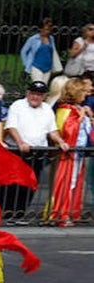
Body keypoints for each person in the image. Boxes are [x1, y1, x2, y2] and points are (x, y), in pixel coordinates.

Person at [1, 80, 68, 222]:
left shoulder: (47, 109)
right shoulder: (18, 105)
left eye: (39, 94)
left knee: (30, 183)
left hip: (37, 152)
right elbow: (11, 126)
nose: (35, 97)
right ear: (27, 93)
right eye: (33, 93)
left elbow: (52, 131)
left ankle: (19, 213)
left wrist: (61, 141)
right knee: (12, 183)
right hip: (17, 150)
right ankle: (7, 212)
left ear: (44, 96)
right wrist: (20, 142)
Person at [49, 78, 90, 226]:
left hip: (78, 153)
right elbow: (66, 130)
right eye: (83, 92)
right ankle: (61, 214)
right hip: (70, 154)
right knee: (67, 183)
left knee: (73, 183)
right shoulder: (66, 109)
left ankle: (70, 212)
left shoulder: (76, 109)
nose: (86, 95)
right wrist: (80, 118)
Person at [20, 18, 62, 83]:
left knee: (44, 87)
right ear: (41, 29)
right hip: (36, 66)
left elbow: (53, 52)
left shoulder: (51, 38)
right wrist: (26, 64)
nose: (48, 31)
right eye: (46, 29)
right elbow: (23, 51)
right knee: (38, 85)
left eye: (49, 29)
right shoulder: (33, 39)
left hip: (48, 67)